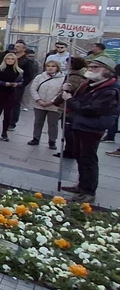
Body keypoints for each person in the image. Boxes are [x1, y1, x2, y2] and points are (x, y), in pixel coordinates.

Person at [62, 55, 120, 202]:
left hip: (92, 127)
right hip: (81, 125)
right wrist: (71, 90)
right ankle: (81, 185)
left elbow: (90, 109)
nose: (91, 70)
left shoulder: (110, 90)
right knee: (79, 156)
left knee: (88, 159)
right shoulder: (90, 84)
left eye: (95, 67)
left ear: (107, 71)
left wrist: (69, 100)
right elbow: (81, 100)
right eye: (90, 67)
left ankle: (88, 191)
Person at [28, 60, 64, 149]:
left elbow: (61, 92)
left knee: (53, 124)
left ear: (57, 68)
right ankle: (36, 138)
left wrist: (51, 102)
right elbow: (33, 89)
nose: (50, 68)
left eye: (53, 66)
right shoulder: (40, 77)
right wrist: (38, 100)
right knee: (38, 122)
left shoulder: (63, 79)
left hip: (54, 105)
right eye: (48, 66)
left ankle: (52, 141)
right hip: (39, 104)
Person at [0, 53, 23, 142]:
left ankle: (4, 132)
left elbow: (21, 82)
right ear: (5, 59)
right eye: (8, 59)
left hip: (11, 94)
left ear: (15, 60)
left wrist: (17, 84)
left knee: (8, 115)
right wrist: (4, 83)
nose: (10, 60)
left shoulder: (19, 71)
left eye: (12, 59)